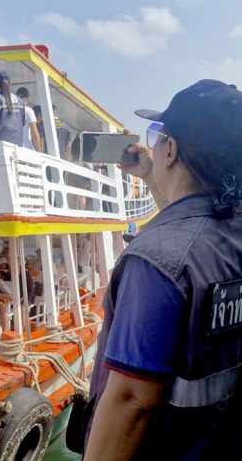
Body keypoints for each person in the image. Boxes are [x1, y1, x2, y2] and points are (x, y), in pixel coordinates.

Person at [81, 80, 242, 460]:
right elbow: (194, 230)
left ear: (170, 149)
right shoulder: (230, 232)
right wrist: (153, 176)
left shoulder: (153, 262)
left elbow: (131, 400)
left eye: (157, 138)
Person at [0, 70, 25, 146]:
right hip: (18, 146)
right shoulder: (20, 101)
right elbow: (23, 122)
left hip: (1, 146)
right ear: (11, 82)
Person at [16, 87, 41, 152]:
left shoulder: (10, 110)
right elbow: (34, 133)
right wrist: (39, 151)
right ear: (27, 98)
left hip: (14, 148)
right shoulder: (28, 111)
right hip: (26, 149)